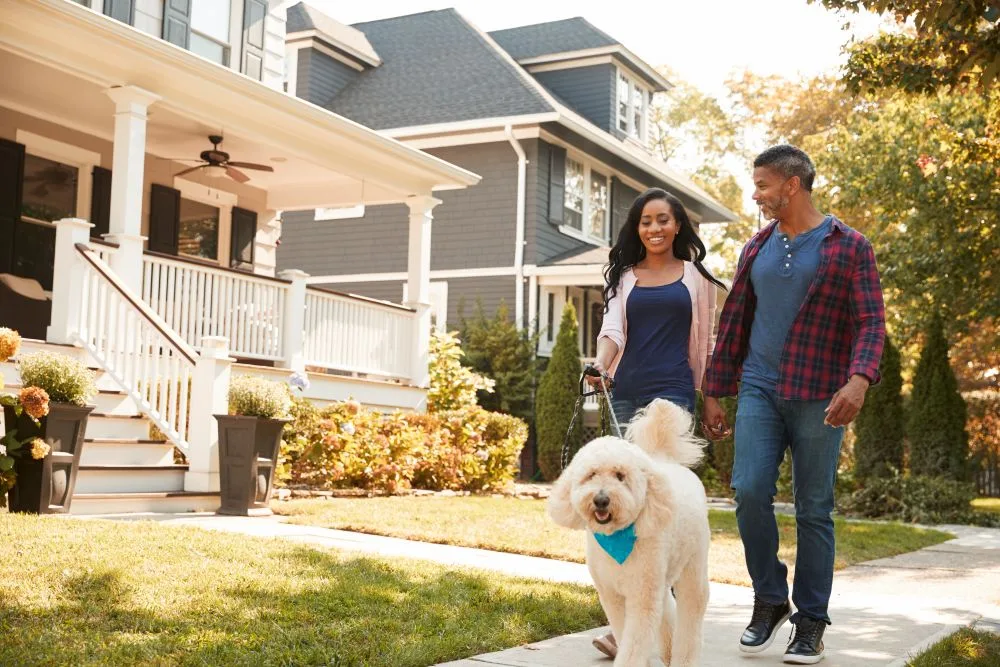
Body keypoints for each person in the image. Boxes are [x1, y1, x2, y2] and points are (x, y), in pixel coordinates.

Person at [702, 145, 886, 664]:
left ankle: (810, 621)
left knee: (813, 509)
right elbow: (734, 322)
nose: (755, 194)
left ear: (792, 185)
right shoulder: (756, 246)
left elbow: (871, 321)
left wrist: (859, 380)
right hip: (760, 387)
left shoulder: (849, 246)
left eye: (762, 185)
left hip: (822, 394)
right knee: (749, 491)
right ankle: (769, 599)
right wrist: (714, 388)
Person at [586, 186, 725, 659]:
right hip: (627, 389)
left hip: (675, 392)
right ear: (637, 227)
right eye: (646, 221)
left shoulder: (696, 278)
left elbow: (706, 344)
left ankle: (650, 617)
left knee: (663, 502)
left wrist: (710, 398)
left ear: (679, 224)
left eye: (663, 219)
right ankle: (632, 623)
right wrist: (600, 364)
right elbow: (611, 331)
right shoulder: (624, 277)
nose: (654, 228)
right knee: (627, 501)